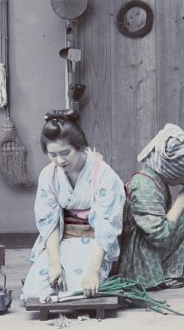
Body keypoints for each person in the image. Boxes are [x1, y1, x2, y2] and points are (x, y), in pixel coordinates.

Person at [21, 110, 125, 301]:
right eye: (52, 154)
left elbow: (106, 225)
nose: (60, 160)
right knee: (35, 292)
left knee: (80, 291)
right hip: (62, 240)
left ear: (80, 147)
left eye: (65, 153)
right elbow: (49, 223)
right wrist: (54, 263)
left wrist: (93, 271)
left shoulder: (103, 174)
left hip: (95, 243)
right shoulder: (49, 175)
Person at [117, 123, 184, 289]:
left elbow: (161, 217)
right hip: (136, 257)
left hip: (144, 245)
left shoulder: (154, 180)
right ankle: (159, 274)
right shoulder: (144, 186)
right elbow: (159, 234)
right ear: (170, 169)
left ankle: (166, 270)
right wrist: (181, 201)